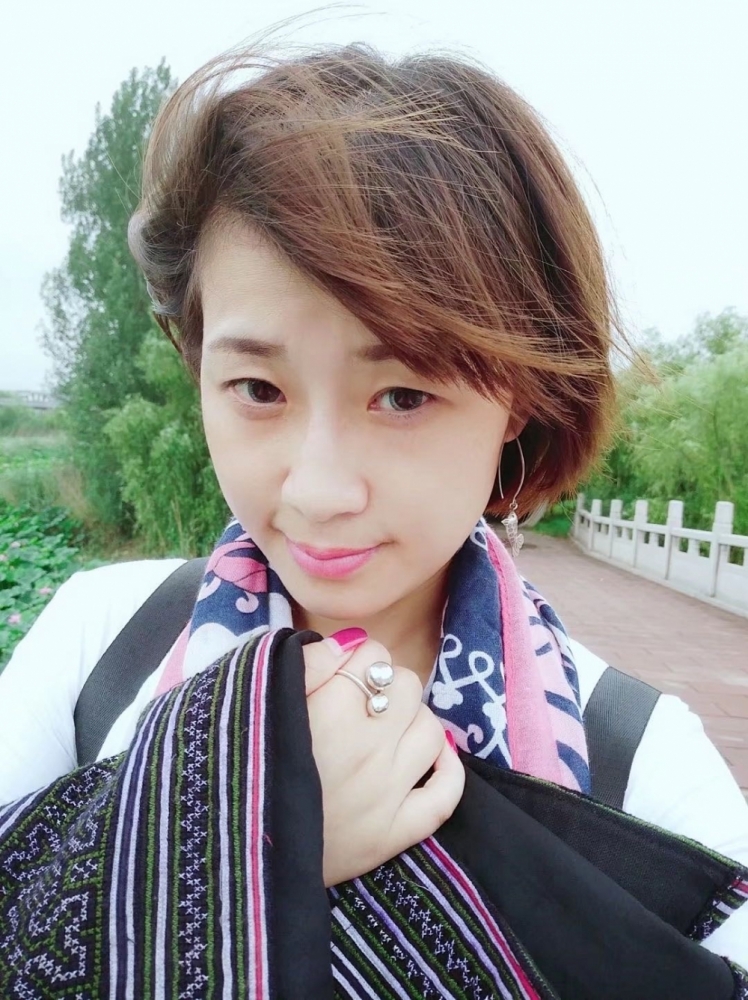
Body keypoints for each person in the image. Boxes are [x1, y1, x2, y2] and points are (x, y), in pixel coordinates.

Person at [0, 39, 747, 998]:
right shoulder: (98, 648)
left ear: (516, 401)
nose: (317, 490)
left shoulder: (641, 765)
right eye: (258, 388)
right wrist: (237, 854)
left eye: (402, 396)